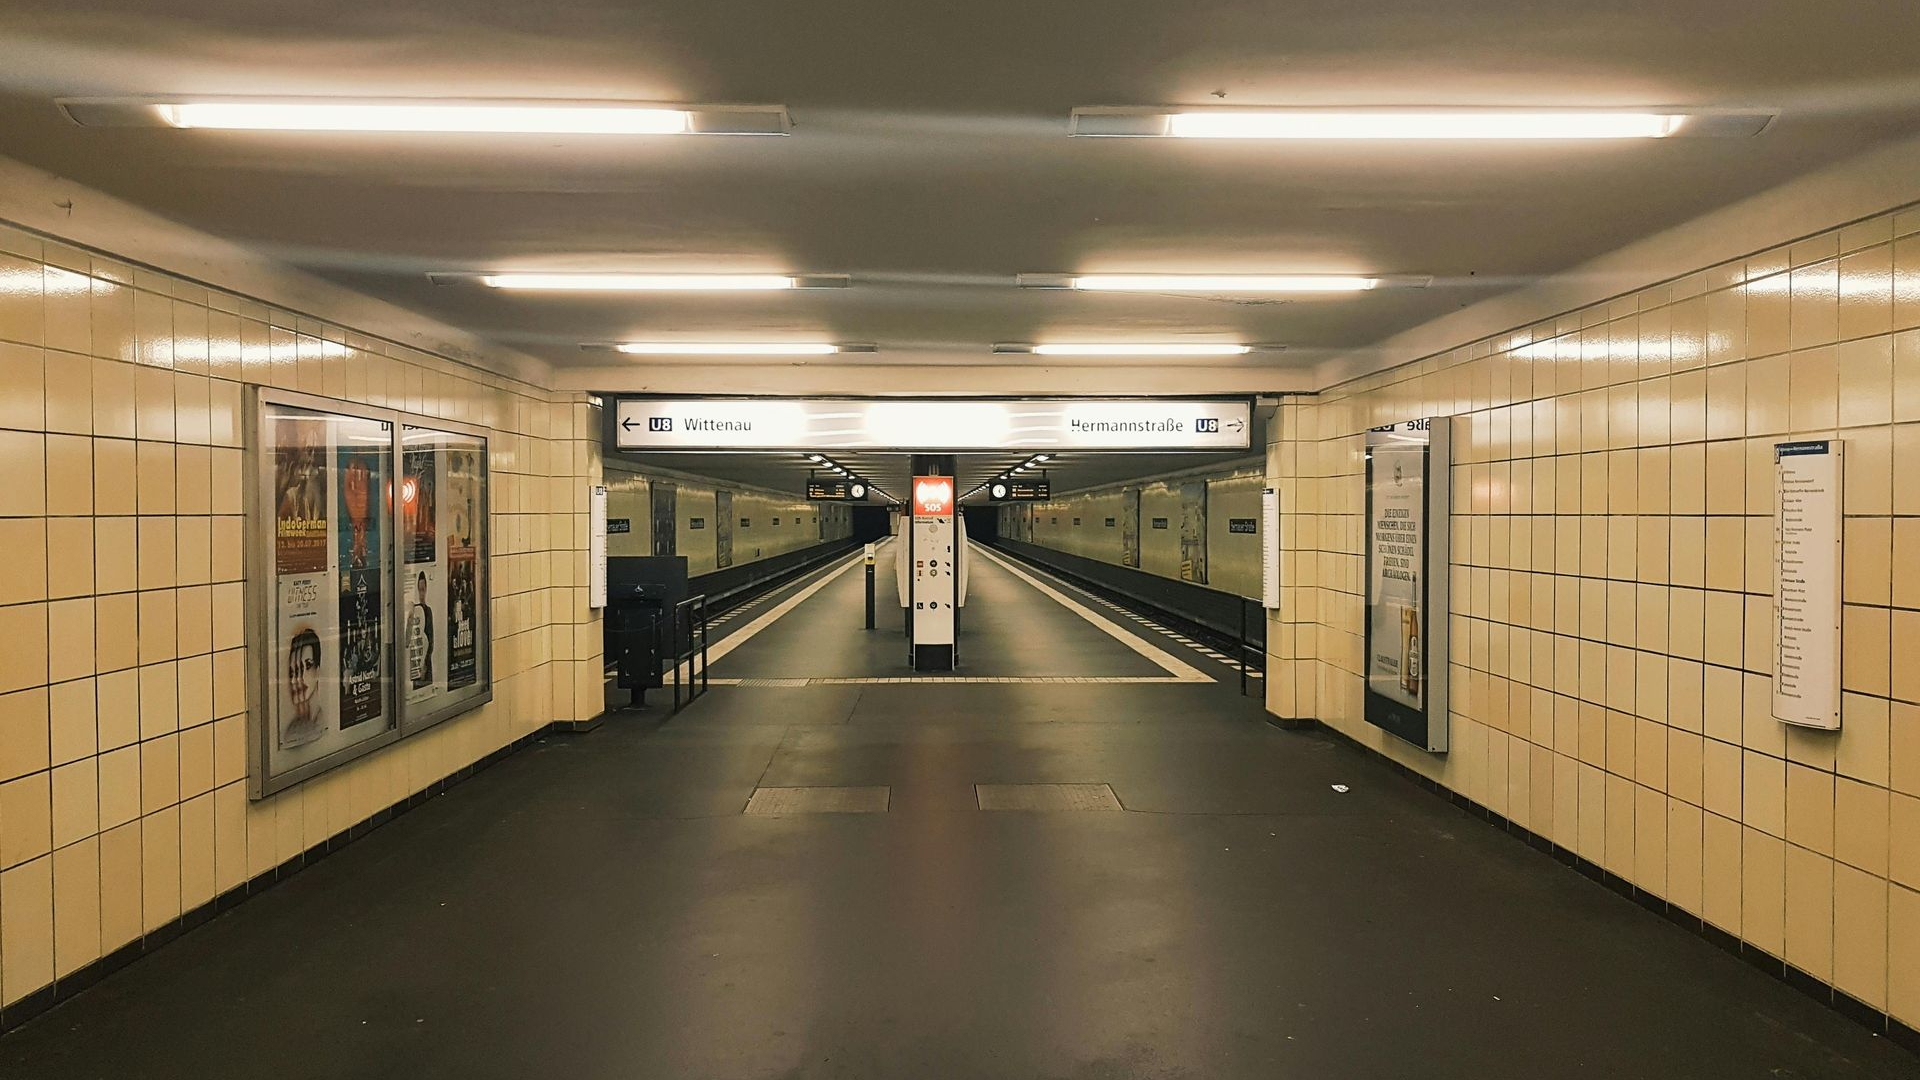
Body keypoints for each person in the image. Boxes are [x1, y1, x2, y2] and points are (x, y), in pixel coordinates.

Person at [282, 627, 325, 747]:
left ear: (318, 670)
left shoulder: (322, 722)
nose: (297, 679)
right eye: (293, 672)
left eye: (307, 666)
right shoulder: (291, 732)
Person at [407, 571, 435, 689]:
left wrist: (425, 663)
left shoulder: (427, 611)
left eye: (423, 589)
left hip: (425, 661)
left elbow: (431, 640)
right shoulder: (416, 611)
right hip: (416, 660)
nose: (421, 593)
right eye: (419, 590)